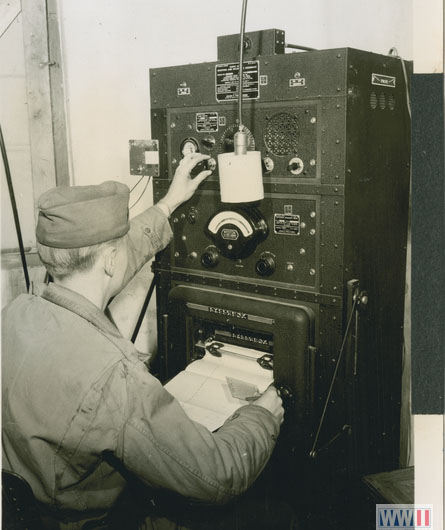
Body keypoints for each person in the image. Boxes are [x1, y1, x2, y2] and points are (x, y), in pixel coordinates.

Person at [2, 153, 284, 530]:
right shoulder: (114, 377)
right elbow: (218, 474)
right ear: (110, 260)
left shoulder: (14, 314)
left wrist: (169, 203)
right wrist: (262, 416)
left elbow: (115, 250)